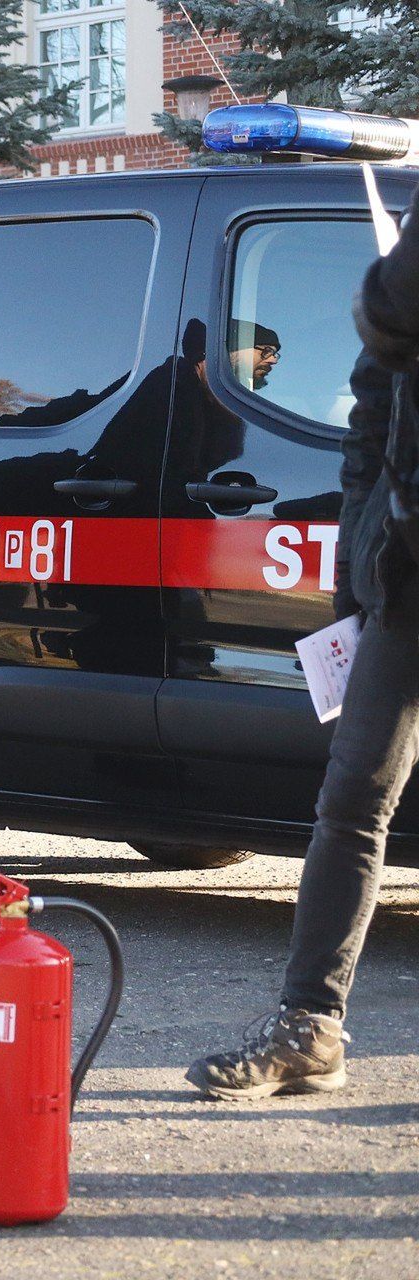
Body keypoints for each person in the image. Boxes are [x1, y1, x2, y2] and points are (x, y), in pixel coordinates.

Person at [184, 295, 407, 1097]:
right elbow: (368, 442)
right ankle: (309, 1028)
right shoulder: (406, 272)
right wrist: (355, 585)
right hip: (403, 597)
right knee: (351, 800)